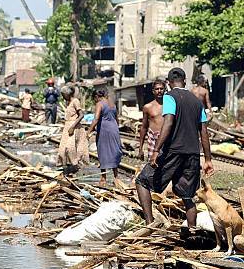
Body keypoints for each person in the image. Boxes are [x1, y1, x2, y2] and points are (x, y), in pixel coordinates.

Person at [136, 67, 214, 227]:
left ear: (169, 83)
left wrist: (156, 150)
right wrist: (207, 159)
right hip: (192, 153)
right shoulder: (196, 101)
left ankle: (150, 224)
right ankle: (192, 231)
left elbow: (169, 122)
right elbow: (203, 131)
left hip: (173, 151)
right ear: (185, 81)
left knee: (142, 181)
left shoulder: (170, 97)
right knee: (188, 195)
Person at [87, 88, 122, 186]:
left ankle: (103, 178)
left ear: (96, 97)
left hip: (104, 130)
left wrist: (88, 132)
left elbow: (96, 119)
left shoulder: (100, 104)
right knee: (114, 151)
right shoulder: (112, 104)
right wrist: (116, 129)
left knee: (103, 152)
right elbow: (117, 118)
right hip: (114, 128)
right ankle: (116, 177)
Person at [57, 85, 89, 175]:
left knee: (70, 148)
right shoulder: (67, 103)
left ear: (67, 94)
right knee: (63, 149)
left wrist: (73, 126)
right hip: (67, 127)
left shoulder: (75, 101)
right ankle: (68, 167)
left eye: (63, 95)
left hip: (74, 128)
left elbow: (81, 115)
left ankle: (74, 166)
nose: (62, 97)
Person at [138, 79, 166, 161]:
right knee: (153, 165)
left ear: (165, 90)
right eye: (157, 89)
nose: (159, 91)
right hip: (153, 140)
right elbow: (144, 127)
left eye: (161, 89)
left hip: (167, 139)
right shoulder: (148, 107)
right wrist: (140, 148)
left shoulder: (170, 105)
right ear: (153, 91)